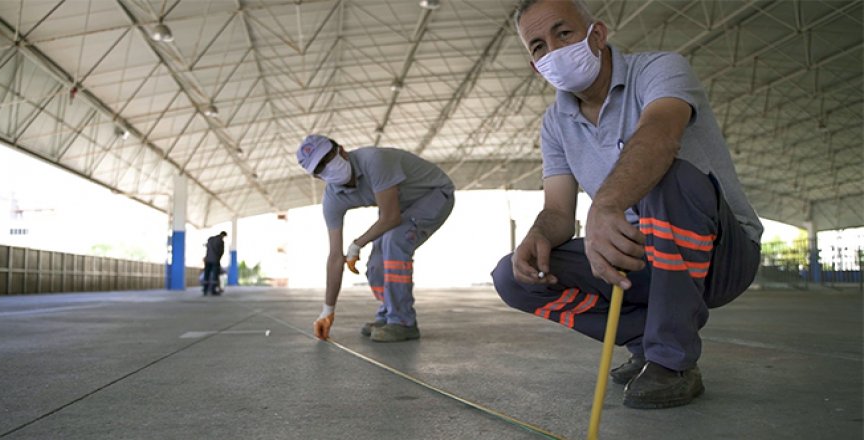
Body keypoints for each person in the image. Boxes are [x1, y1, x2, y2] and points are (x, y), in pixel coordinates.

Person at [491, 0, 763, 409]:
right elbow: (559, 212)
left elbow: (661, 133)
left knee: (668, 175)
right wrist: (539, 234)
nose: (554, 50)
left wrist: (606, 206)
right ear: (536, 67)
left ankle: (673, 361)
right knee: (515, 276)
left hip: (719, 255)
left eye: (563, 33)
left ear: (596, 36)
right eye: (538, 47)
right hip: (642, 257)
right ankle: (646, 343)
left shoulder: (658, 70)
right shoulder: (555, 123)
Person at [297, 134, 454, 343]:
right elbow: (335, 256)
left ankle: (402, 322)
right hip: (402, 207)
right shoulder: (332, 199)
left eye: (328, 158)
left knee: (394, 241)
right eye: (320, 168)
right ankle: (389, 313)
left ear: (341, 150)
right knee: (376, 265)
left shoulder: (374, 161)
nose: (327, 167)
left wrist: (356, 244)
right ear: (316, 176)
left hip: (434, 194)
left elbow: (390, 217)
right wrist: (328, 310)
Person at [203, 231, 227, 296]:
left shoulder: (210, 239)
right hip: (215, 260)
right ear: (223, 235)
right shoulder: (221, 241)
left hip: (207, 260)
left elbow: (207, 247)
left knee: (206, 275)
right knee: (215, 276)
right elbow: (221, 252)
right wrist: (218, 259)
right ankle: (213, 290)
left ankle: (205, 290)